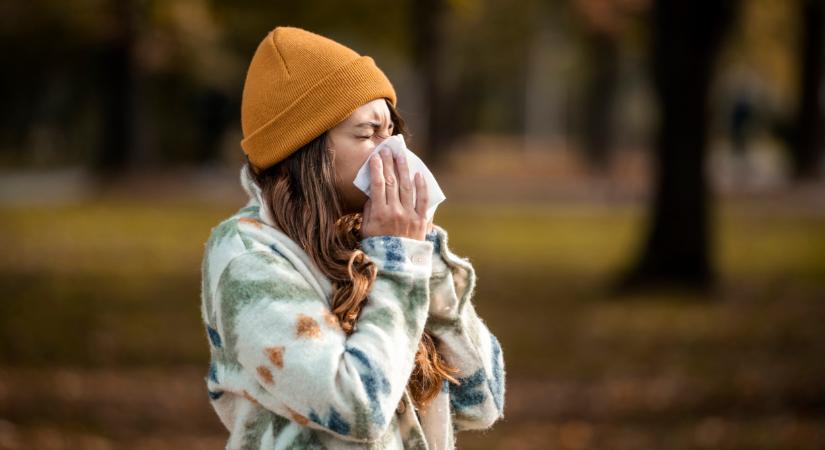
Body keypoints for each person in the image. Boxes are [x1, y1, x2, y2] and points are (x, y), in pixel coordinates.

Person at [200, 26, 505, 450]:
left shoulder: (379, 241)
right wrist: (399, 263)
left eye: (391, 132)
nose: (392, 152)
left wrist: (424, 259)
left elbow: (481, 402)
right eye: (366, 134)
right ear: (302, 149)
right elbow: (356, 406)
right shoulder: (247, 253)